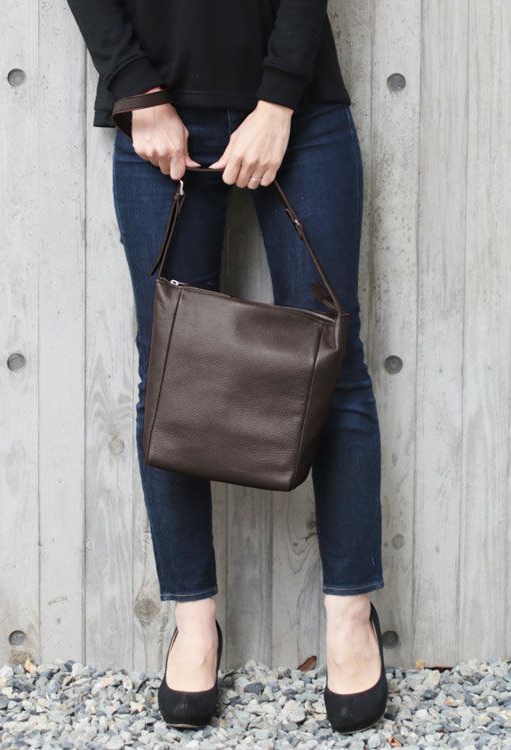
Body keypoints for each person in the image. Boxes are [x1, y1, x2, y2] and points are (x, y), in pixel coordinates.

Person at [67, 0, 388, 734]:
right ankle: (194, 623)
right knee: (169, 376)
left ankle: (351, 618)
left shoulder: (290, 105)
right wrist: (136, 88)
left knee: (335, 364)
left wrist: (277, 101)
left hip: (298, 112)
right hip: (159, 114)